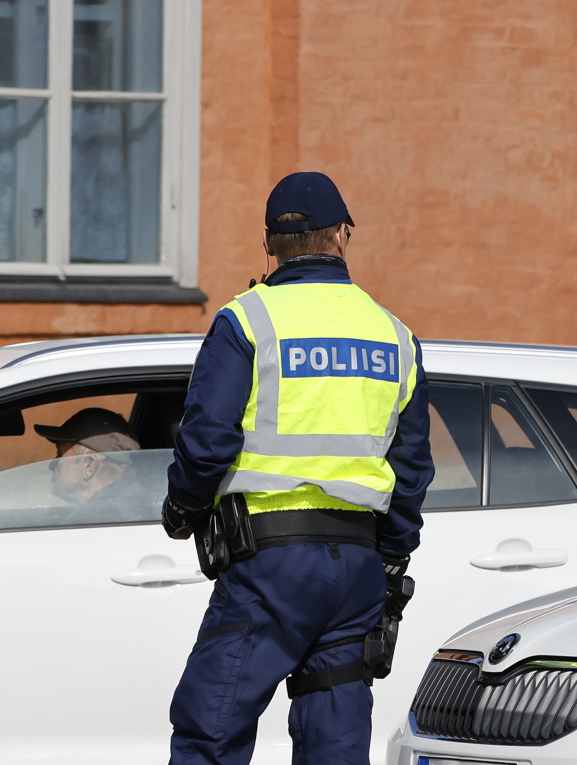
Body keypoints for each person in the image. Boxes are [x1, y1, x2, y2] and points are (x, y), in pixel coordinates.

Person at [160, 171, 434, 765]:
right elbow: (411, 468)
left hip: (269, 566)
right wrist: (391, 556)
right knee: (334, 746)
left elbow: (207, 441)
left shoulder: (247, 322)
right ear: (341, 236)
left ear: (268, 245)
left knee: (212, 729)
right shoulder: (395, 336)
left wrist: (182, 508)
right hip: (358, 568)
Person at [36, 407, 143, 521]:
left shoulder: (94, 520)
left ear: (88, 465)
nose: (52, 465)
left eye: (60, 454)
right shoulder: (138, 505)